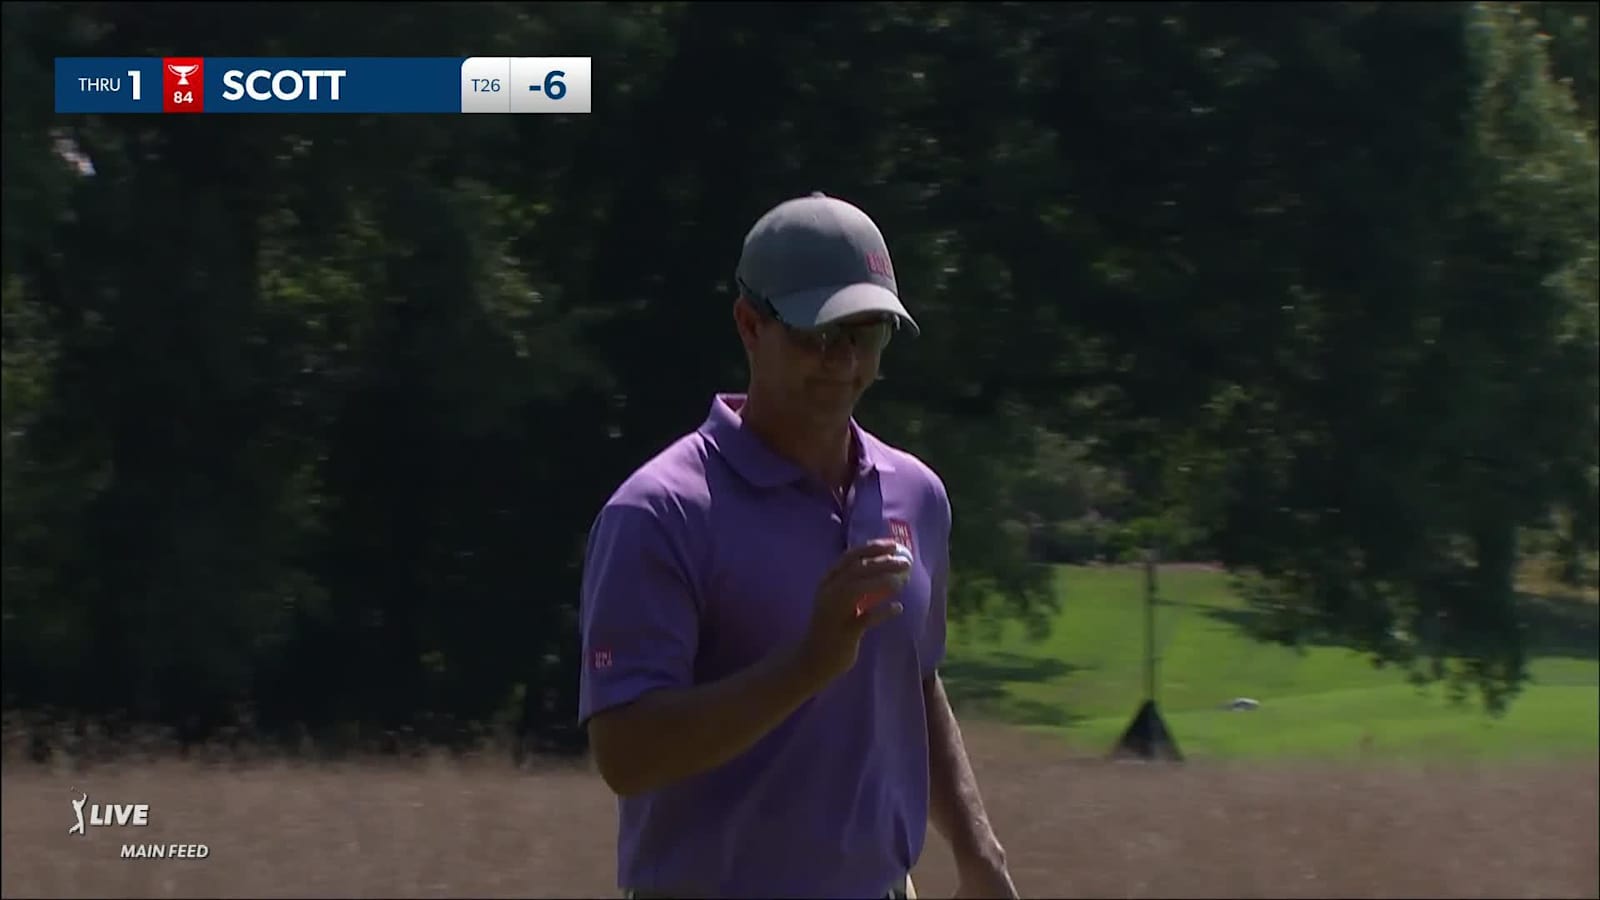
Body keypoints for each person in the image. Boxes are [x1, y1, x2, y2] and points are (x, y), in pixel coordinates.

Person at [578, 192, 1020, 899]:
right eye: (818, 335)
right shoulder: (658, 512)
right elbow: (625, 754)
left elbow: (909, 680)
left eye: (867, 334)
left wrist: (978, 852)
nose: (843, 363)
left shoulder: (917, 496)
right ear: (749, 326)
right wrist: (810, 663)